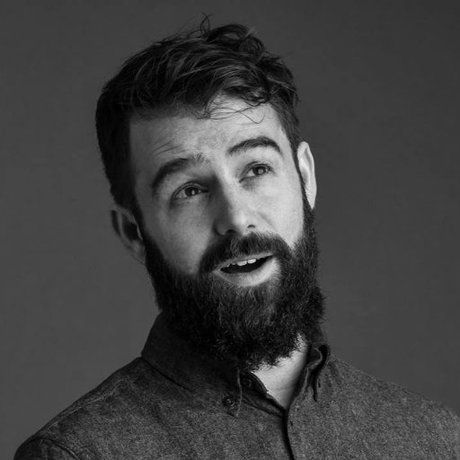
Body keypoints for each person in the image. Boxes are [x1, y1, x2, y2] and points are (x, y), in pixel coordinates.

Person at [15, 19, 459, 459]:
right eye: (189, 190)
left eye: (257, 169)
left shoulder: (436, 439)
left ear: (305, 177)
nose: (236, 218)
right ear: (135, 233)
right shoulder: (75, 453)